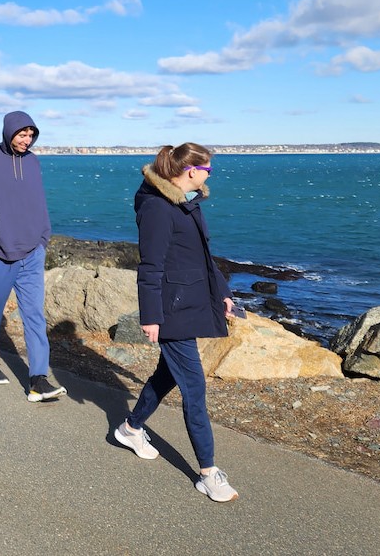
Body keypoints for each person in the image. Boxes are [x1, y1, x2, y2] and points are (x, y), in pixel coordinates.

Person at [112, 143, 239, 502]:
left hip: (191, 302)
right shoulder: (157, 208)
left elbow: (200, 255)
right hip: (172, 310)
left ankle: (130, 427)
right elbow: (149, 267)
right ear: (190, 171)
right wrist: (151, 317)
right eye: (208, 170)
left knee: (168, 374)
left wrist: (223, 292)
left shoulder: (183, 202)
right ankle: (208, 472)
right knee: (194, 390)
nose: (209, 175)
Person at [0, 110, 66, 402]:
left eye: (30, 135)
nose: (27, 140)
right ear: (9, 130)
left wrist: (43, 238)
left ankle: (38, 379)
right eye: (22, 134)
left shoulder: (33, 161)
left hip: (32, 254)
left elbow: (39, 201)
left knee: (36, 317)